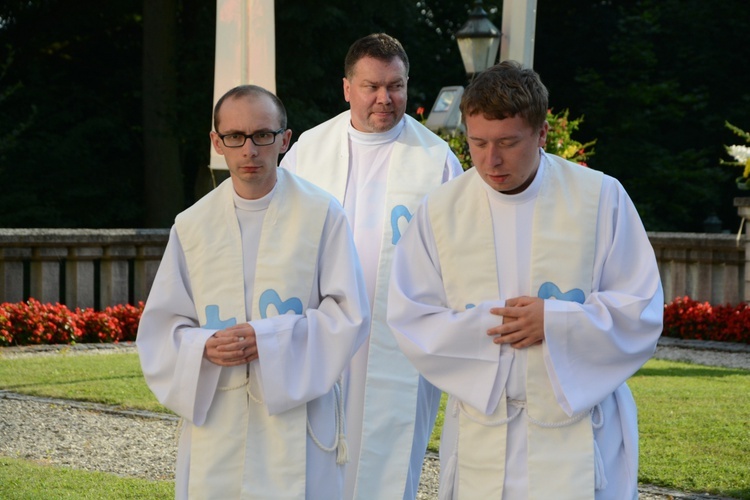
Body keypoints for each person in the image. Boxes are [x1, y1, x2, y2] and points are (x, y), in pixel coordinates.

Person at [387, 61, 664, 500]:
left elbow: (641, 308)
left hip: (578, 436)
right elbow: (411, 316)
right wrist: (493, 330)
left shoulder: (599, 197)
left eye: (508, 143)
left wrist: (554, 323)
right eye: (477, 143)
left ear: (541, 134)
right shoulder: (441, 211)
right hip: (485, 429)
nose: (490, 160)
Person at [136, 84, 370, 499]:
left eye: (263, 135)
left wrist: (270, 338)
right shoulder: (192, 225)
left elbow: (348, 314)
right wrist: (203, 346)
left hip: (298, 416)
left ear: (284, 139)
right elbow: (163, 327)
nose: (249, 150)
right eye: (235, 137)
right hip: (219, 414)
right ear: (216, 142)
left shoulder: (322, 214)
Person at [280, 32, 463, 500]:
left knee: (389, 452)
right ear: (347, 88)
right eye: (371, 86)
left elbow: (460, 254)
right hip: (322, 331)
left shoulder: (435, 160)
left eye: (396, 86)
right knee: (314, 455)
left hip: (398, 336)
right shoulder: (308, 150)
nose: (385, 98)